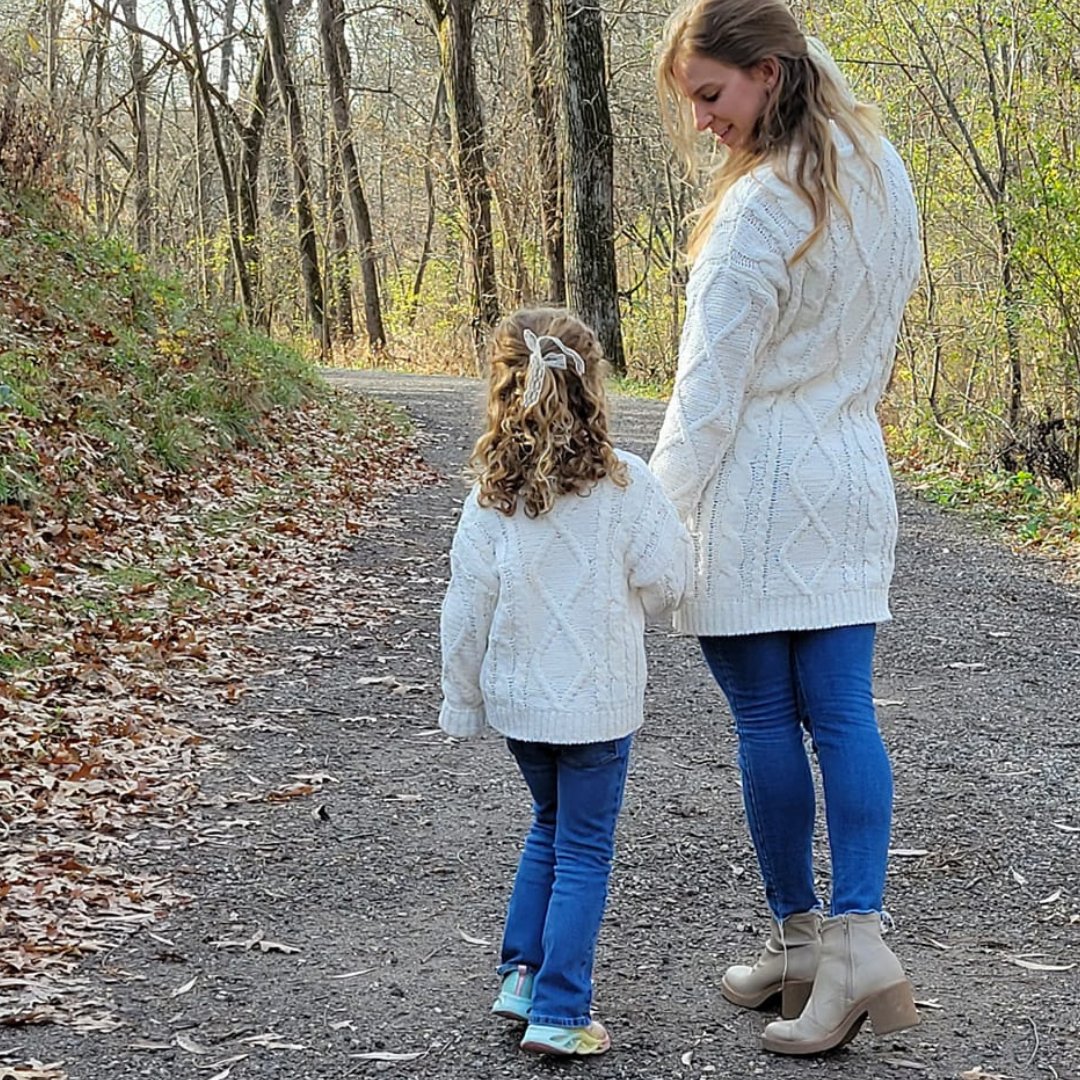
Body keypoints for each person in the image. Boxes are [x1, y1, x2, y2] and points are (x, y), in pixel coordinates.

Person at [650, 0, 923, 1057]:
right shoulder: (882, 169)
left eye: (713, 97)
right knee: (843, 714)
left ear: (767, 72)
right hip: (853, 473)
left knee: (769, 722)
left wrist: (651, 519)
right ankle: (843, 947)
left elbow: (707, 393)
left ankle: (812, 942)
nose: (706, 122)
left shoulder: (761, 206)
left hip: (760, 489)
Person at [438, 308, 692, 1057]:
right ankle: (561, 1009)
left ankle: (520, 972)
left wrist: (463, 698)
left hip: (522, 703)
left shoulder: (492, 495)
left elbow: (466, 603)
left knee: (549, 828)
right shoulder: (627, 484)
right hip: (598, 704)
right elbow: (669, 579)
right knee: (584, 847)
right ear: (595, 388)